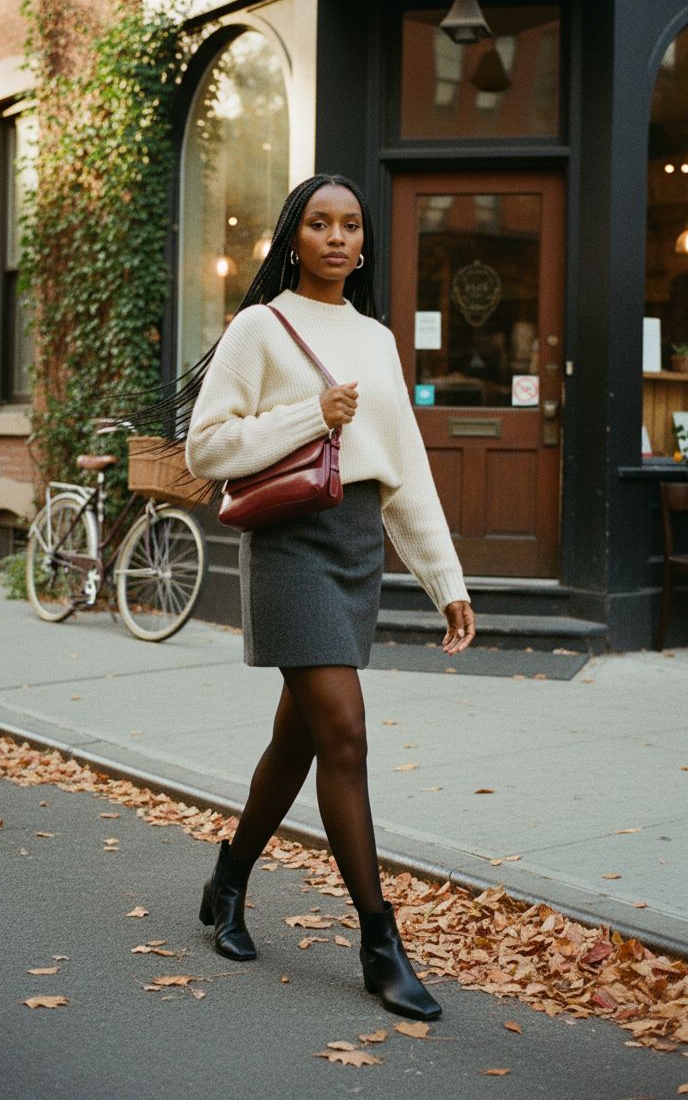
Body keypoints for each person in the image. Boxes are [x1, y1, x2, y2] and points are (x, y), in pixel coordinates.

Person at [184, 173, 475, 1021]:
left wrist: (445, 581)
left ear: (363, 242)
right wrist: (310, 414)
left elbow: (405, 472)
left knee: (300, 742)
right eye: (319, 224)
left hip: (355, 548)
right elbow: (207, 449)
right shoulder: (259, 326)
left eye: (351, 225)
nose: (337, 238)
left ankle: (227, 879)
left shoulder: (377, 339)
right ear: (294, 236)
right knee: (344, 734)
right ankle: (380, 939)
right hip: (290, 543)